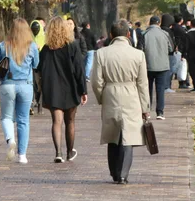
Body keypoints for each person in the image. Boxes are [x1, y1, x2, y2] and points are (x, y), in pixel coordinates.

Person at [91, 19, 150, 184]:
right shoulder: (138, 55)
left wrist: (101, 96)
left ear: (111, 35)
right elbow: (143, 84)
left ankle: (114, 171)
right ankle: (123, 174)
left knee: (113, 134)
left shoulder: (102, 53)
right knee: (128, 135)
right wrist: (145, 106)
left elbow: (96, 81)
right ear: (128, 34)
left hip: (110, 93)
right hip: (131, 95)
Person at [0, 18, 40, 164]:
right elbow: (36, 64)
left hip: (7, 84)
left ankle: (10, 139)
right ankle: (22, 155)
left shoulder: (2, 46)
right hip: (26, 85)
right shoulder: (32, 47)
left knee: (6, 117)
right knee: (23, 120)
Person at [39, 17, 87, 163]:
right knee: (70, 121)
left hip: (53, 88)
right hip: (70, 87)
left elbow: (40, 68)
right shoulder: (72, 46)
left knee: (56, 121)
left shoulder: (46, 49)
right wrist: (83, 90)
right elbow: (79, 69)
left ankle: (58, 152)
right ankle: (69, 151)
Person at [142, 16, 174, 120]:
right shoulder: (165, 34)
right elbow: (171, 48)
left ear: (149, 23)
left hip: (147, 66)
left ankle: (147, 111)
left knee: (147, 89)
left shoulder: (144, 34)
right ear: (159, 23)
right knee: (160, 89)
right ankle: (160, 112)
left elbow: (139, 49)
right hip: (162, 66)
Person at [171, 15, 190, 89]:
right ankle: (184, 82)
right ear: (181, 20)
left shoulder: (172, 28)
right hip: (181, 49)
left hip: (174, 50)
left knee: (174, 66)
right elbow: (185, 41)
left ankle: (181, 82)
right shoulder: (182, 29)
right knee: (183, 67)